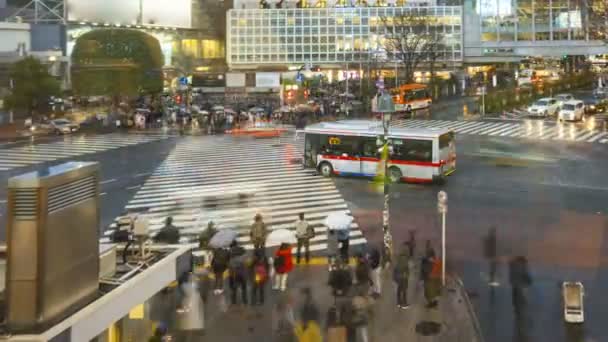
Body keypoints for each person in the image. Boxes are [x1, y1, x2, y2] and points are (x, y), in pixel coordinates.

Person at [228, 240, 248, 305]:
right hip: (242, 272)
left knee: (234, 288)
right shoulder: (242, 250)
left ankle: (234, 301)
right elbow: (246, 257)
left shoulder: (229, 253)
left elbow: (229, 264)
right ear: (236, 244)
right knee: (243, 287)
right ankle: (245, 300)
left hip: (234, 273)